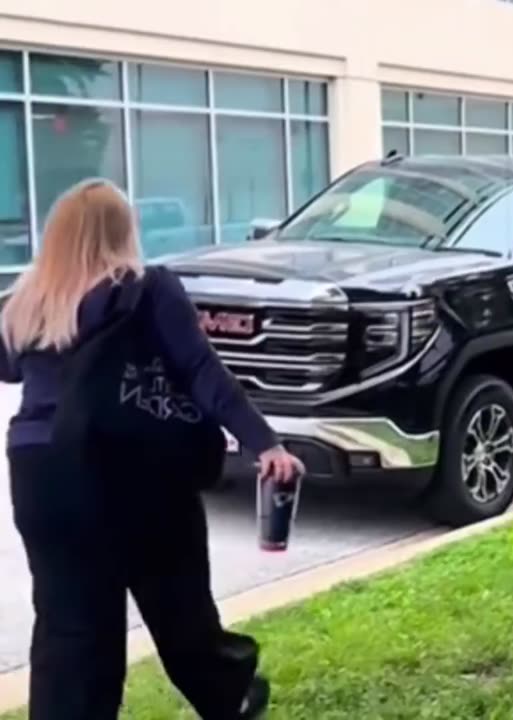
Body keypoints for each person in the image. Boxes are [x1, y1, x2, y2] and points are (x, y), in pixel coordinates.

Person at [0, 180, 304, 719]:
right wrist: (263, 441)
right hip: (128, 470)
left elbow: (8, 368)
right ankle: (227, 692)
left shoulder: (26, 301)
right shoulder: (146, 289)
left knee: (68, 628)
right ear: (121, 233)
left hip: (40, 476)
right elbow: (200, 369)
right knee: (177, 597)